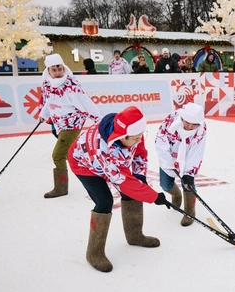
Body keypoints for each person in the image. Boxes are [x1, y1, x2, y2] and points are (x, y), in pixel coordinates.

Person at [68, 106, 172, 273]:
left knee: (135, 188)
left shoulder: (133, 130)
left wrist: (140, 177)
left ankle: (135, 236)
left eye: (140, 137)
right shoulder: (104, 148)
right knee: (104, 201)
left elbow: (140, 154)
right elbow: (123, 181)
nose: (139, 140)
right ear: (122, 137)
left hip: (111, 163)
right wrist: (154, 197)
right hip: (85, 164)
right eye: (135, 138)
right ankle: (94, 253)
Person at [39, 53, 101, 199]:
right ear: (48, 71)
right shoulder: (48, 85)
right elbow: (49, 102)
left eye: (59, 68)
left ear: (64, 68)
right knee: (72, 153)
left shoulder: (71, 86)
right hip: (59, 123)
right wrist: (44, 114)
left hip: (72, 123)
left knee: (58, 155)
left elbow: (86, 103)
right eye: (53, 69)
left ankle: (61, 188)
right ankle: (96, 171)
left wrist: (99, 120)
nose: (57, 72)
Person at [155, 103, 207, 227]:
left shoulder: (201, 131)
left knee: (188, 184)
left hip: (186, 157)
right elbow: (160, 142)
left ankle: (190, 211)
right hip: (168, 156)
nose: (189, 126)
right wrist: (168, 163)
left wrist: (189, 173)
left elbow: (196, 153)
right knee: (165, 185)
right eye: (187, 122)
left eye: (194, 124)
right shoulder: (170, 122)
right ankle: (176, 194)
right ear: (182, 117)